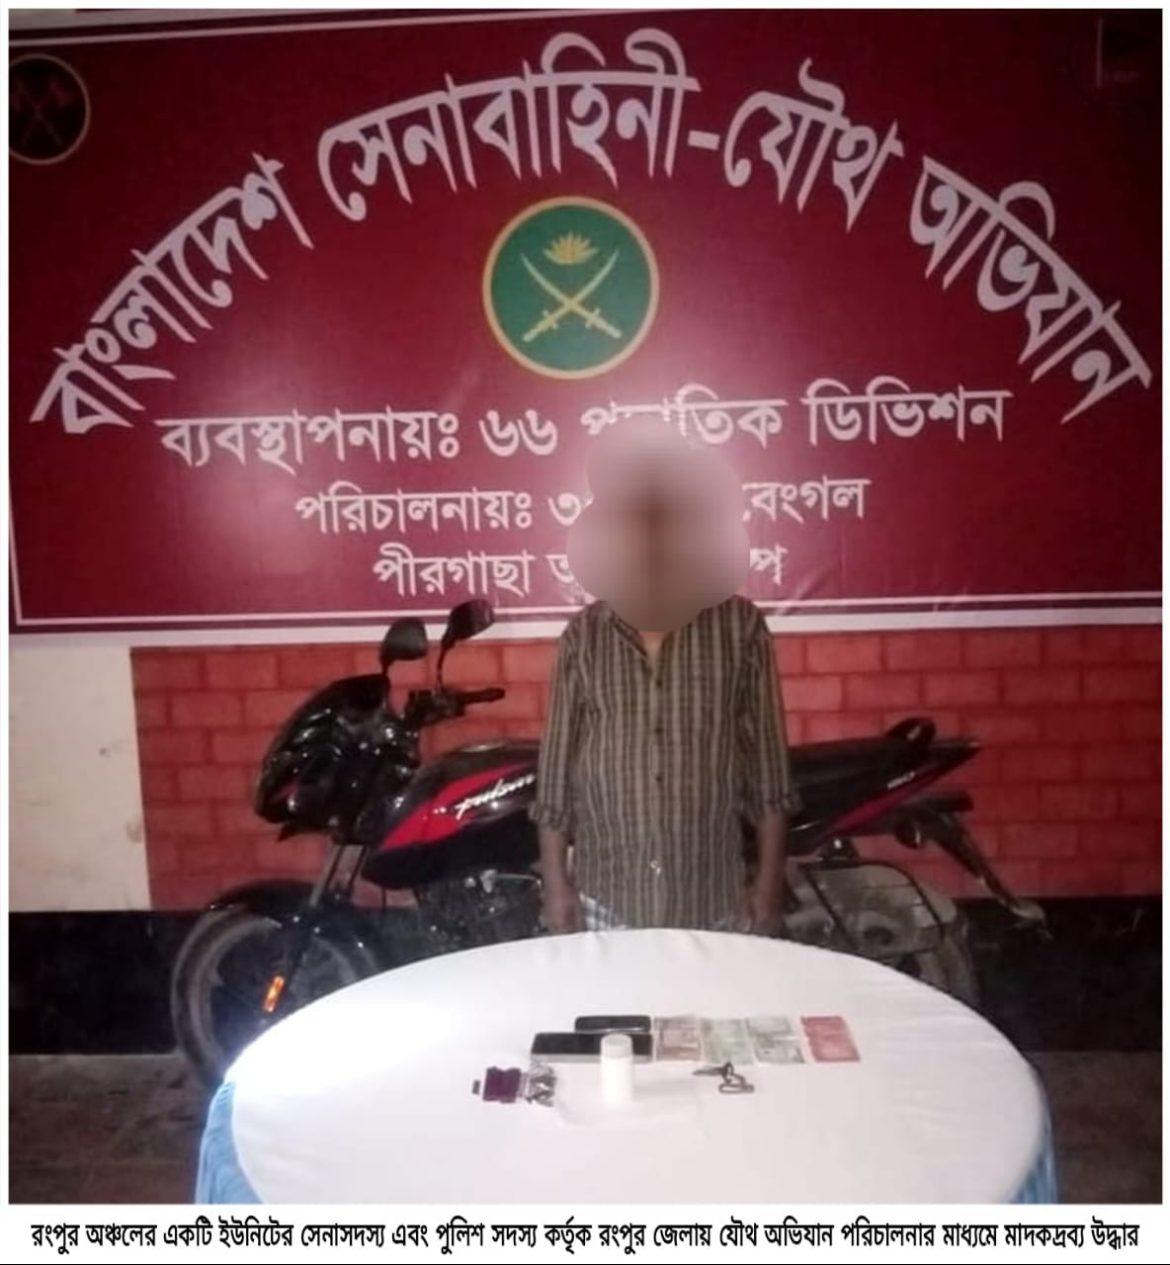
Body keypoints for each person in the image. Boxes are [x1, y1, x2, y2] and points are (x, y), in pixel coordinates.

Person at [531, 434, 800, 934]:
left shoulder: (740, 629)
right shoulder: (584, 637)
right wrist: (556, 884)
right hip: (608, 896)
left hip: (710, 896)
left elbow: (768, 770)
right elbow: (556, 775)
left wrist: (767, 886)